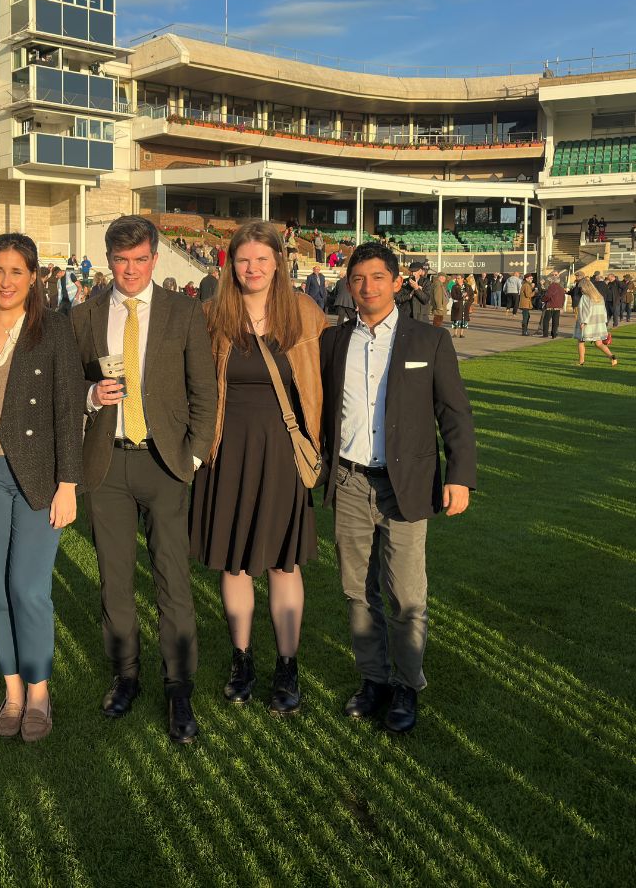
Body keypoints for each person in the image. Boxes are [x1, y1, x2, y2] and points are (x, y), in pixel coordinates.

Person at [70, 216, 218, 744]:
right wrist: (91, 396)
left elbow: (204, 391)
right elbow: (72, 387)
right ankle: (125, 674)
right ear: (108, 260)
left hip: (165, 463)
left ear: (155, 259)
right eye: (121, 260)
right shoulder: (85, 313)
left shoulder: (182, 312)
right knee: (115, 581)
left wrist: (194, 458)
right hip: (107, 464)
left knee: (172, 581)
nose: (130, 271)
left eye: (139, 260)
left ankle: (179, 688)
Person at [320, 242, 476, 734]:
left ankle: (408, 685)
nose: (367, 287)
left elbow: (454, 414)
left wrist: (460, 476)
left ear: (395, 281)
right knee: (355, 591)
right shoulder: (334, 342)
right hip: (348, 480)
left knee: (407, 595)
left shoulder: (428, 340)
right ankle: (374, 680)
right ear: (349, 285)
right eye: (358, 279)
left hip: (406, 485)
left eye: (377, 277)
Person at [190, 221, 326, 714]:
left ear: (277, 264)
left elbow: (324, 381)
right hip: (226, 453)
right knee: (235, 560)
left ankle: (287, 666)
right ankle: (242, 658)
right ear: (231, 264)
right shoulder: (211, 316)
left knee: (281, 562)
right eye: (244, 260)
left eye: (262, 260)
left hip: (283, 454)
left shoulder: (305, 314)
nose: (252, 268)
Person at [0, 233, 85, 742]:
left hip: (38, 475)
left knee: (28, 590)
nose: (6, 281)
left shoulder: (52, 330)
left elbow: (68, 407)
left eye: (17, 271)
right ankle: (12, 692)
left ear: (34, 277)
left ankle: (38, 692)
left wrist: (68, 484)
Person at [575, 278, 618, 367]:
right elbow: (603, 310)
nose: (581, 290)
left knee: (581, 342)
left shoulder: (585, 297)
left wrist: (583, 322)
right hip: (598, 323)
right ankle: (612, 357)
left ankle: (581, 361)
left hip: (588, 323)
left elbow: (586, 311)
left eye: (581, 288)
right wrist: (604, 321)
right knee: (599, 343)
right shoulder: (599, 297)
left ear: (585, 287)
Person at [540, 274, 564, 338]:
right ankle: (554, 334)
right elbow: (563, 298)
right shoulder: (561, 288)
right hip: (558, 306)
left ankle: (545, 334)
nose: (549, 282)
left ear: (552, 281)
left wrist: (542, 299)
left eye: (550, 281)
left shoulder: (551, 287)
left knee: (546, 320)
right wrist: (561, 306)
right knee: (555, 321)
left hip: (550, 306)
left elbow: (548, 296)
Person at [449, 274, 472, 338]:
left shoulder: (468, 286)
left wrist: (469, 301)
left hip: (465, 305)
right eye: (456, 278)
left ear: (462, 279)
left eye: (458, 278)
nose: (457, 279)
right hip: (457, 305)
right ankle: (455, 333)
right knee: (456, 318)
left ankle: (461, 334)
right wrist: (462, 296)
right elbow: (453, 296)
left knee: (464, 319)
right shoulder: (454, 287)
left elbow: (471, 295)